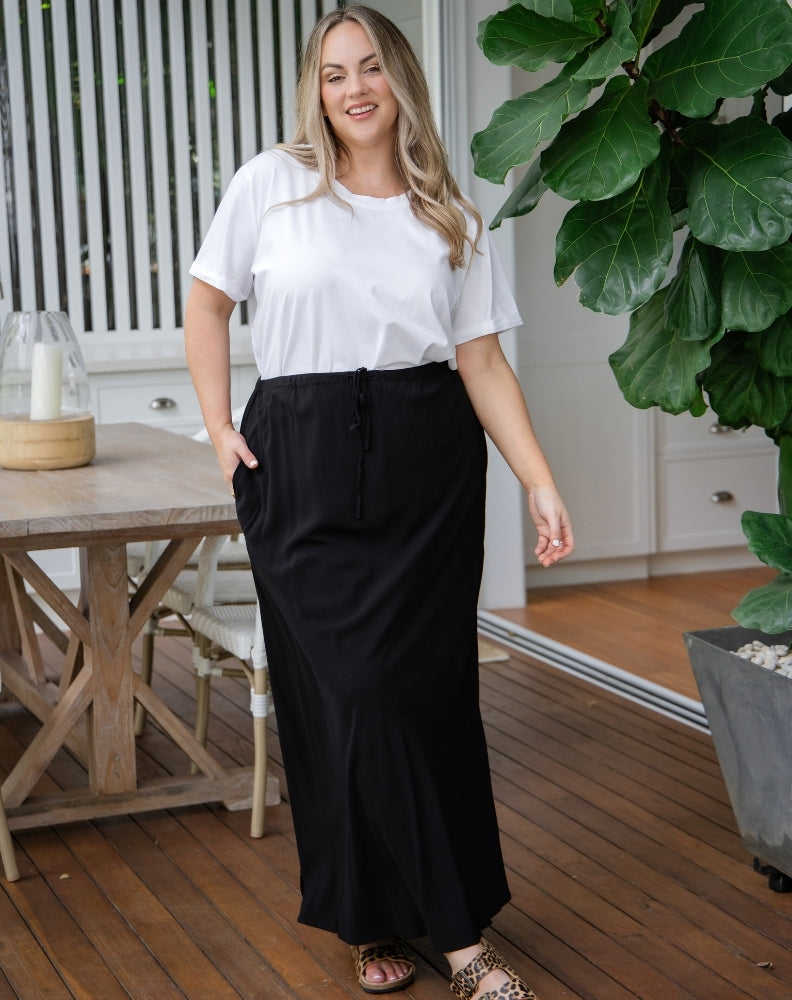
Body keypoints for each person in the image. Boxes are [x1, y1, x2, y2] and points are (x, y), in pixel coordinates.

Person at [184, 6, 573, 998]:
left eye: (369, 68)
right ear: (315, 91)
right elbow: (208, 301)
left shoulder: (451, 212)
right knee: (346, 695)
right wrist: (220, 426)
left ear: (401, 77)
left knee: (424, 696)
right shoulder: (271, 184)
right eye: (333, 74)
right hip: (299, 462)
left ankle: (401, 923)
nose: (353, 88)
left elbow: (482, 363)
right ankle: (443, 936)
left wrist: (538, 478)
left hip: (426, 468)